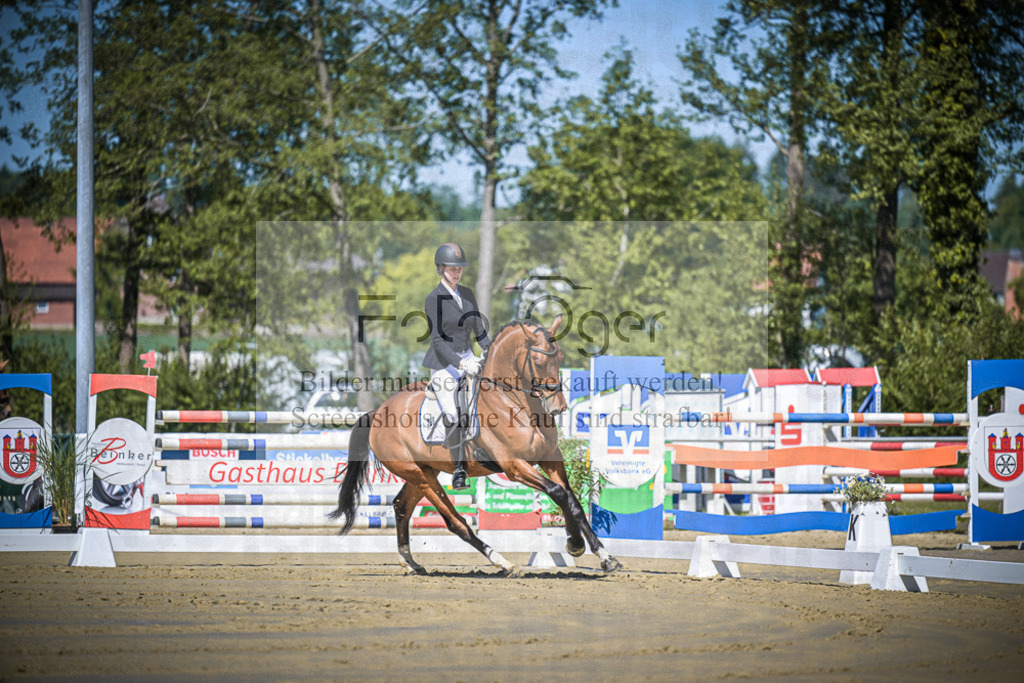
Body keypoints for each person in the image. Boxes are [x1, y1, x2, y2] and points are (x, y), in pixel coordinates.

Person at [423, 242, 490, 490]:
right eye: (452, 268)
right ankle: (459, 468)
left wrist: (490, 352)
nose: (457, 272)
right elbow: (438, 341)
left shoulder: (468, 294)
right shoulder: (434, 299)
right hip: (444, 363)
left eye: (459, 268)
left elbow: (479, 331)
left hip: (469, 357)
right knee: (453, 411)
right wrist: (461, 363)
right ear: (440, 268)